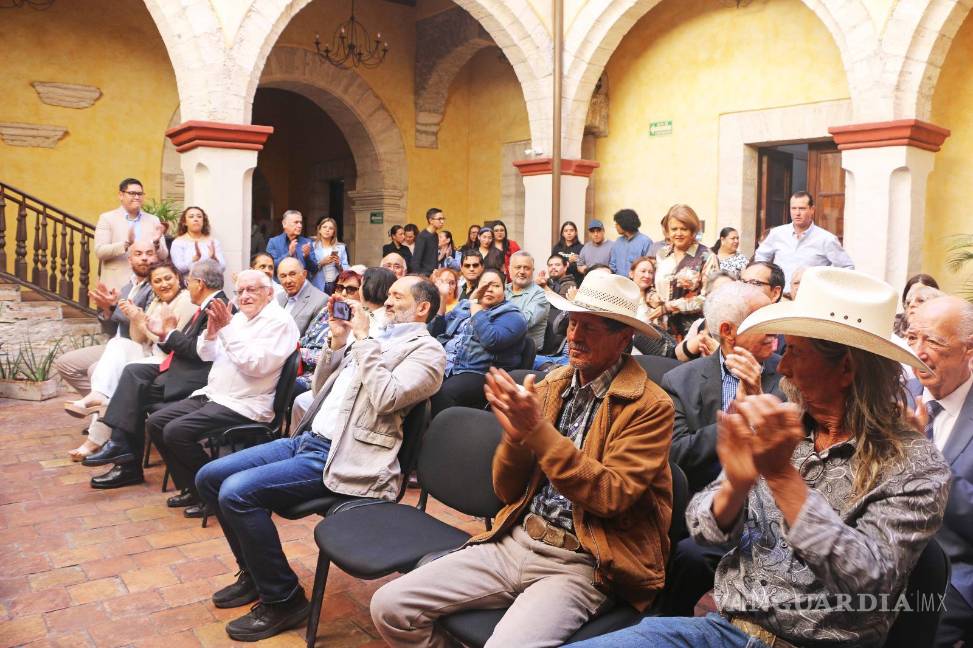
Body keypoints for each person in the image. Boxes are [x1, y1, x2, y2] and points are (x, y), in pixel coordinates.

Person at [574, 267, 950, 648]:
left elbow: (868, 579)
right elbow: (703, 530)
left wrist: (782, 477)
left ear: (846, 368)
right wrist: (734, 487)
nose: (782, 366)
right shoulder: (782, 424)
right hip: (722, 631)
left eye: (796, 353)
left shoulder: (915, 466)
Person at [371, 272, 676, 646]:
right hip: (515, 538)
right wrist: (515, 440)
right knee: (390, 606)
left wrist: (536, 432)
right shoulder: (552, 386)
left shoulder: (650, 405)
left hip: (583, 562)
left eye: (590, 328)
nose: (574, 336)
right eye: (572, 323)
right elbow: (505, 490)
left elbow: (610, 495)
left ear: (623, 338)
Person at [196, 276, 444, 641]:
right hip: (308, 441)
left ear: (422, 307)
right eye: (388, 295)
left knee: (236, 493)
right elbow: (318, 391)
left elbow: (387, 397)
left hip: (347, 456)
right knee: (209, 477)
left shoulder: (428, 352)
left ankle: (283, 599)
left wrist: (361, 341)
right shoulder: (376, 337)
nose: (387, 302)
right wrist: (338, 341)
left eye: (397, 296)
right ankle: (255, 573)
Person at [142, 270, 300, 517]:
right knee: (156, 422)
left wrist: (225, 329)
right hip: (216, 395)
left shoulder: (279, 322)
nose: (244, 296)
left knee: (176, 432)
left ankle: (212, 491)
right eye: (240, 291)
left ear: (269, 293)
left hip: (246, 403)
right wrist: (213, 332)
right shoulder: (238, 318)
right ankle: (192, 487)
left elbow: (256, 366)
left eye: (252, 290)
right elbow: (206, 354)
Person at [81, 260, 227, 490]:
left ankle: (125, 459)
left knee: (134, 391)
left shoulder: (216, 307)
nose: (187, 287)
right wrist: (154, 328)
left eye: (187, 282)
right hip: (178, 365)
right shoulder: (207, 304)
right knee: (132, 373)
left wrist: (166, 332)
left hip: (195, 377)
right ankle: (122, 453)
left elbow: (198, 352)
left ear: (198, 283)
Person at [67, 261, 195, 460]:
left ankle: (96, 440)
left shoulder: (185, 301)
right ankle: (98, 394)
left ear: (178, 278)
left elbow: (170, 342)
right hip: (151, 353)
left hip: (170, 359)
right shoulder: (157, 302)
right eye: (157, 281)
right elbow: (137, 339)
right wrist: (136, 318)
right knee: (118, 343)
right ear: (152, 285)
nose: (164, 284)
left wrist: (143, 324)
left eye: (168, 278)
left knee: (125, 374)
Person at [662, 282, 780, 495]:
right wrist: (735, 421)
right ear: (728, 331)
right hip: (707, 506)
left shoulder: (790, 374)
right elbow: (675, 455)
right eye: (762, 321)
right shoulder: (680, 381)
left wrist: (758, 401)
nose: (774, 329)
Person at [905, 295, 973, 648]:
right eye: (912, 337)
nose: (919, 351)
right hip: (883, 567)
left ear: (969, 350)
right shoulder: (896, 396)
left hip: (956, 580)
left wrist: (923, 456)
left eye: (933, 341)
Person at [55, 239, 157, 426]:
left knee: (95, 369)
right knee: (65, 363)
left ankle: (106, 411)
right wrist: (107, 310)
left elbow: (144, 322)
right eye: (139, 254)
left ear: (156, 256)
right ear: (129, 260)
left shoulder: (157, 285)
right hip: (116, 342)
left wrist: (113, 307)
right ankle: (106, 408)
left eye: (149, 253)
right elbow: (113, 326)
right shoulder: (127, 287)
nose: (144, 258)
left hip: (137, 346)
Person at [290, 267, 396, 428]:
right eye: (339, 288)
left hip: (354, 395)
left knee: (302, 401)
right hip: (330, 381)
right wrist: (336, 341)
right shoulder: (351, 314)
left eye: (354, 288)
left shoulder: (383, 324)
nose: (344, 293)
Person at [429, 268, 527, 415]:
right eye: (485, 285)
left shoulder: (513, 315)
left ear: (504, 289)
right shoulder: (463, 306)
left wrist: (475, 307)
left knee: (443, 393)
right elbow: (434, 333)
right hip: (445, 365)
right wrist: (442, 299)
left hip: (478, 372)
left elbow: (491, 340)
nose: (489, 289)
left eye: (495, 285)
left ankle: (443, 436)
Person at [754, 190, 854, 292]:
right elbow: (761, 257)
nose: (797, 213)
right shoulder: (777, 234)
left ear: (812, 209)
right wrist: (766, 279)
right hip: (779, 296)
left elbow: (847, 268)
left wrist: (826, 284)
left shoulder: (826, 239)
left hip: (811, 297)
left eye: (802, 209)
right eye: (793, 208)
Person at [654, 204, 718, 339]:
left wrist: (669, 307)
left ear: (693, 231)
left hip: (692, 332)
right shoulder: (662, 253)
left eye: (684, 229)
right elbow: (652, 285)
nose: (678, 233)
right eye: (674, 229)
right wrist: (652, 298)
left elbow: (710, 299)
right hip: (660, 328)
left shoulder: (707, 256)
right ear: (667, 231)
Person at [294, 270, 361, 397]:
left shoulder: (358, 319)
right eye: (340, 288)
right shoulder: (326, 310)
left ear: (361, 293)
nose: (344, 293)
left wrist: (299, 352)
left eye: (351, 289)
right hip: (299, 367)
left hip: (319, 376)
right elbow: (307, 337)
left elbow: (338, 357)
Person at [94, 178, 169, 291]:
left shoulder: (153, 220)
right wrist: (126, 244)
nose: (137, 197)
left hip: (146, 285)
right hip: (116, 284)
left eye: (140, 194)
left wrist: (156, 243)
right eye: (132, 193)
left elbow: (164, 255)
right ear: (121, 195)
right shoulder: (107, 218)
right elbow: (100, 252)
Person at [505, 251, 549, 349]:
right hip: (501, 346)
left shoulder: (540, 295)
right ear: (509, 269)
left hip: (526, 354)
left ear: (533, 271)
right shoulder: (502, 290)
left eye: (527, 268)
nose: (522, 271)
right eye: (518, 267)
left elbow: (522, 322)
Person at [276, 257, 328, 335]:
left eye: (292, 274)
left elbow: (312, 341)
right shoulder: (278, 298)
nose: (288, 281)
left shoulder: (321, 300)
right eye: (283, 276)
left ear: (304, 274)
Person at [169, 206, 225, 277]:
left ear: (203, 221)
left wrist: (215, 259)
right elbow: (178, 269)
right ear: (185, 222)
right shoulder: (178, 242)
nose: (196, 219)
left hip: (212, 283)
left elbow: (222, 267)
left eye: (199, 216)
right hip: (189, 283)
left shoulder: (213, 241)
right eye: (191, 217)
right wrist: (193, 260)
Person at [265, 210, 315, 274]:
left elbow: (314, 269)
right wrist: (289, 254)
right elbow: (270, 267)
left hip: (302, 283)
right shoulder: (273, 242)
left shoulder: (307, 242)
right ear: (284, 224)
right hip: (280, 283)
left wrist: (307, 257)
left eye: (300, 222)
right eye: (296, 222)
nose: (300, 226)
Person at [308, 216, 348, 294]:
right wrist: (322, 262)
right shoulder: (312, 247)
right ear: (319, 229)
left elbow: (346, 270)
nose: (327, 230)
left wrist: (338, 264)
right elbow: (308, 269)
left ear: (334, 232)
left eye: (331, 228)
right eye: (324, 227)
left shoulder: (341, 247)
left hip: (336, 285)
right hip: (318, 285)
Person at [609, 209, 653, 276]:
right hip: (618, 283)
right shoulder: (618, 242)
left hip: (636, 285)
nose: (615, 226)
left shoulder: (646, 242)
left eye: (617, 223)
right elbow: (612, 265)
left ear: (624, 223)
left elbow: (648, 267)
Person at [411, 208, 445, 275]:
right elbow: (416, 261)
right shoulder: (422, 236)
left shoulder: (435, 235)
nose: (442, 221)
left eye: (443, 219)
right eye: (439, 219)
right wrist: (419, 277)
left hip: (433, 274)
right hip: (424, 275)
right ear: (431, 220)